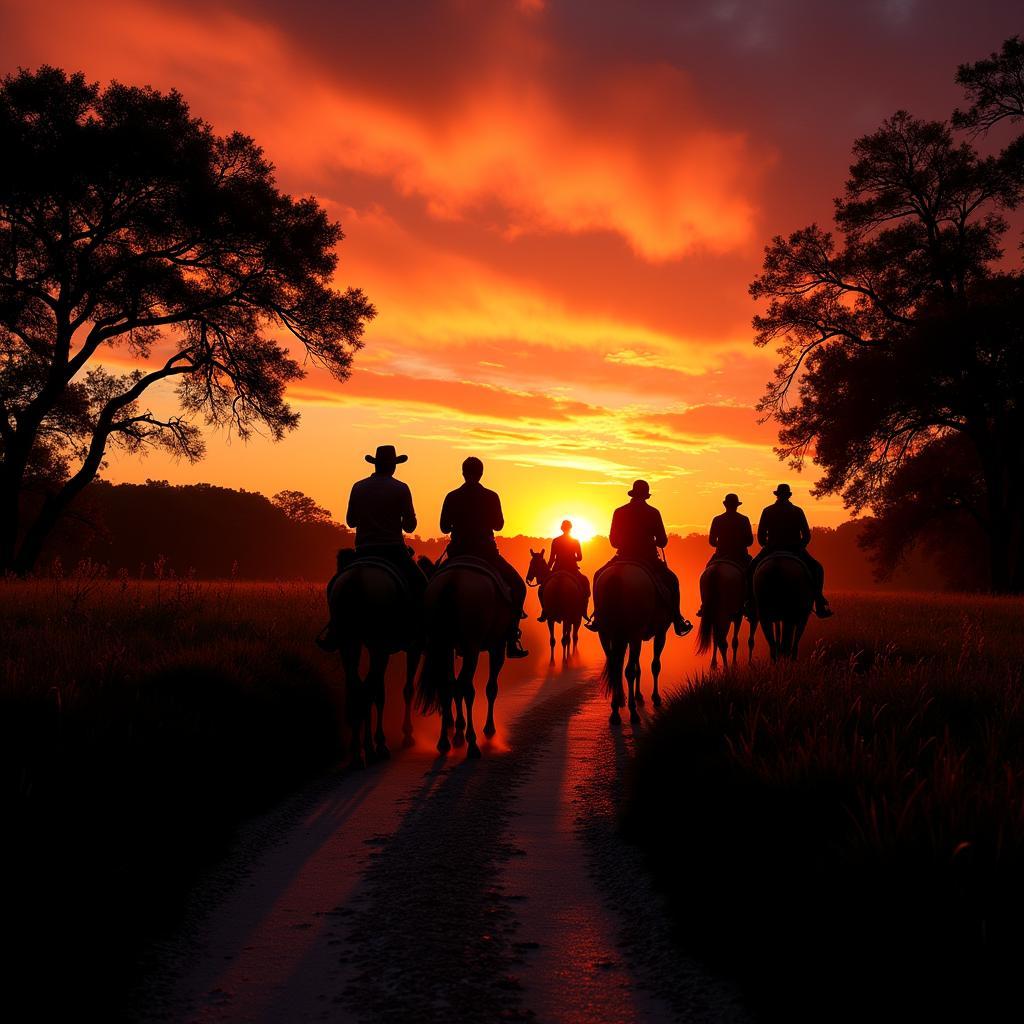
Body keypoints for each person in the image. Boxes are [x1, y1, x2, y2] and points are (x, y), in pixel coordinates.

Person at [316, 444, 426, 651]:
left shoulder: (358, 487)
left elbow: (350, 521)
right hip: (393, 550)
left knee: (334, 585)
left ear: (375, 464)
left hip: (363, 551)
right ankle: (417, 632)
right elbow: (410, 526)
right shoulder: (401, 488)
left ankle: (334, 628)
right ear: (393, 466)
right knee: (421, 585)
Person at [439, 457, 529, 658]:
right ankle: (512, 639)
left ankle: (427, 636)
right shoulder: (491, 496)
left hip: (458, 553)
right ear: (481, 474)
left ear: (463, 473)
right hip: (486, 554)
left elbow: (444, 527)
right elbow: (498, 525)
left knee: (428, 586)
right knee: (519, 586)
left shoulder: (452, 496)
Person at [585, 480, 693, 637]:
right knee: (672, 580)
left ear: (633, 493)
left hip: (623, 556)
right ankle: (677, 619)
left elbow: (613, 542)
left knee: (597, 575)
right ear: (646, 495)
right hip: (647, 558)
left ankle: (598, 617)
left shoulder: (619, 511)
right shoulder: (653, 512)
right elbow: (662, 541)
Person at [748, 483, 833, 617]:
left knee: (752, 567)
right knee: (817, 568)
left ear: (777, 495)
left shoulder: (768, 510)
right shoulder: (797, 511)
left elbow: (760, 536)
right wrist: (800, 547)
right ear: (788, 495)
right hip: (794, 549)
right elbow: (806, 535)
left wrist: (767, 546)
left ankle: (750, 602)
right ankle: (819, 601)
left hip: (771, 548)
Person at [696, 493, 753, 617]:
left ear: (725, 505)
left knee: (706, 571)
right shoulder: (744, 519)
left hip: (720, 555)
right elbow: (749, 541)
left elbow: (711, 541)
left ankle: (704, 604)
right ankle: (750, 603)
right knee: (752, 573)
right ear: (737, 506)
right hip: (740, 556)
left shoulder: (717, 519)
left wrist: (722, 544)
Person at [538, 519, 590, 623]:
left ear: (562, 528)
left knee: (542, 588)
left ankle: (544, 611)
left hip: (557, 568)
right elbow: (580, 557)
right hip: (572, 569)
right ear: (570, 528)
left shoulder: (556, 541)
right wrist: (571, 558)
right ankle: (584, 611)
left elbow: (552, 558)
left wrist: (548, 570)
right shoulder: (575, 541)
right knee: (585, 583)